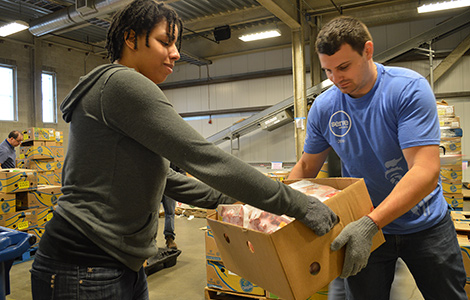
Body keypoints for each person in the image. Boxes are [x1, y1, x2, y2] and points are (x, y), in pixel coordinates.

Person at [29, 1, 338, 299]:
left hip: (114, 263)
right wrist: (299, 205)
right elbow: (202, 156)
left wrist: (232, 198)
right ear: (131, 39)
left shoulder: (112, 88)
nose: (176, 54)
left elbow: (164, 178)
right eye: (165, 42)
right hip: (85, 264)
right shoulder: (123, 85)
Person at [288, 15, 467, 299]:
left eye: (344, 67)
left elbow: (424, 170)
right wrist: (277, 209)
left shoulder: (406, 90)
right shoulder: (324, 107)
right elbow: (307, 166)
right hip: (365, 232)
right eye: (328, 71)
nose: (336, 79)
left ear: (368, 51)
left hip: (424, 226)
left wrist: (371, 222)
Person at [161, 162, 185, 249]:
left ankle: (169, 238)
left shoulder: (172, 153)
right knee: (152, 214)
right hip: (155, 186)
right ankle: (150, 240)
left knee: (170, 213)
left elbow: (181, 170)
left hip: (170, 188)